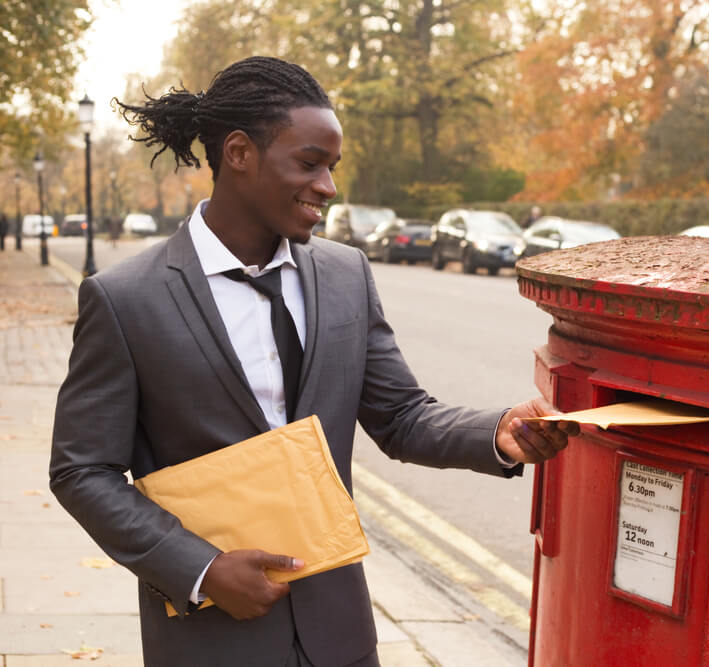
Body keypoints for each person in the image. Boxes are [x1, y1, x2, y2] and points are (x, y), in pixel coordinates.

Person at [49, 56, 577, 667]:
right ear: (240, 153)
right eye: (309, 163)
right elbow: (82, 470)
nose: (327, 186)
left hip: (340, 636)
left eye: (332, 167)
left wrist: (501, 432)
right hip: (211, 640)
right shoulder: (125, 298)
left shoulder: (345, 273)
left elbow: (401, 416)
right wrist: (200, 569)